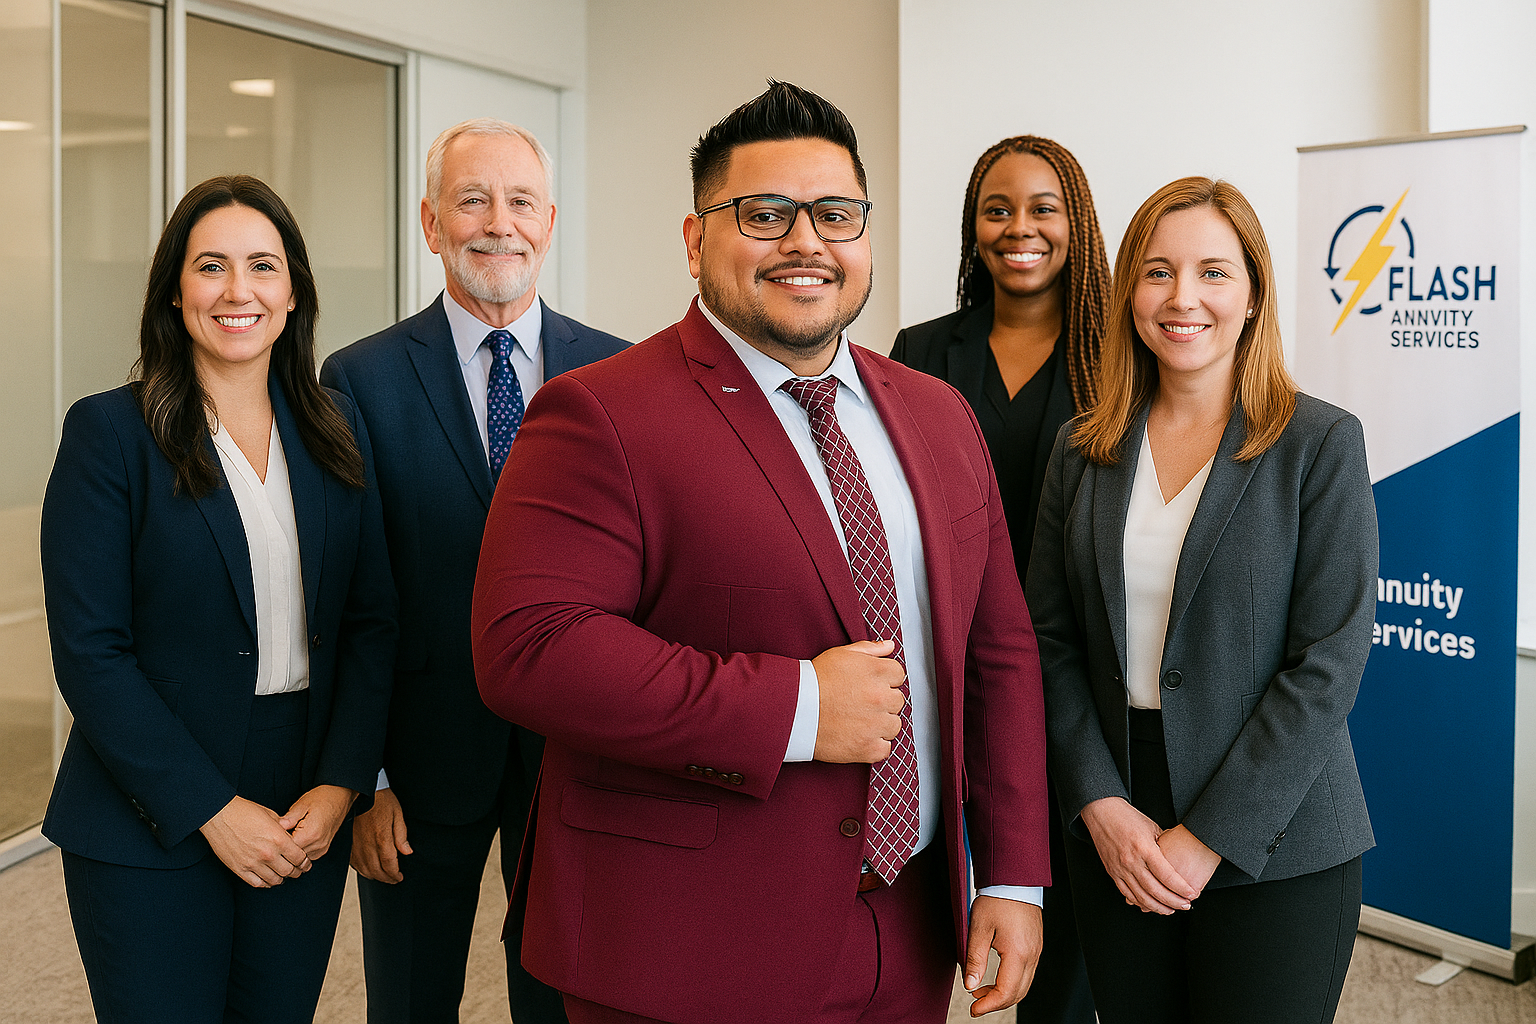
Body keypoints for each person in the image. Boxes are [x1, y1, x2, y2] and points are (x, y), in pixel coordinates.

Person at [471, 80, 1050, 1024]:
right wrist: (799, 706)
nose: (806, 242)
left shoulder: (939, 414)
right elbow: (530, 647)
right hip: (688, 948)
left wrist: (1015, 876)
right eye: (764, 214)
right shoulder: (600, 411)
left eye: (835, 215)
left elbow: (999, 656)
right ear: (696, 240)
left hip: (906, 935)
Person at [40, 174, 396, 1023]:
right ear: (175, 289)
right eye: (211, 267)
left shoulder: (336, 429)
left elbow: (371, 624)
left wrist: (342, 783)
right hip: (147, 803)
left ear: (294, 289)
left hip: (301, 797)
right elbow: (91, 652)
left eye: (263, 266)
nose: (239, 291)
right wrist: (208, 808)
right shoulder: (110, 434)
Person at [1025, 176, 1376, 1024]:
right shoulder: (1083, 449)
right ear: (1127, 294)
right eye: (1157, 272)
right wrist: (1098, 803)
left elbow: (1327, 661)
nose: (1184, 298)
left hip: (1276, 832)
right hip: (1116, 820)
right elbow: (1048, 639)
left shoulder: (1318, 443)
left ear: (1253, 295)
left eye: (1214, 273)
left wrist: (1210, 835)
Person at [320, 118, 626, 1024]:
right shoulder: (360, 378)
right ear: (431, 223)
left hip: (576, 756)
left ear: (550, 220)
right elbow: (345, 595)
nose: (499, 223)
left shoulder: (618, 372)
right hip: (417, 762)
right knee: (411, 1000)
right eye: (472, 200)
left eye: (520, 201)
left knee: (565, 998)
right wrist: (362, 778)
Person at [889, 135, 1109, 1024]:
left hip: (1075, 663)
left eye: (1043, 207)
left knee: (1062, 934)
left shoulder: (1119, 353)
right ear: (973, 227)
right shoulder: (919, 350)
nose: (1020, 228)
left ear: (1076, 224)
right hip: (953, 653)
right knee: (926, 890)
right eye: (998, 208)